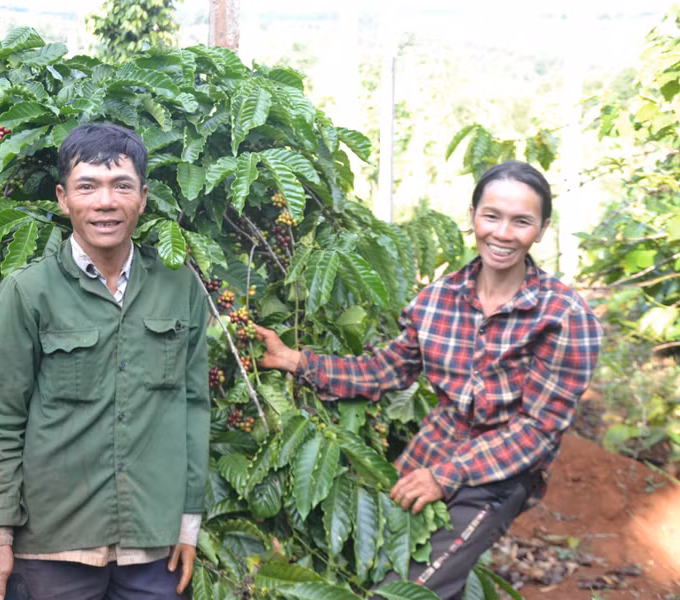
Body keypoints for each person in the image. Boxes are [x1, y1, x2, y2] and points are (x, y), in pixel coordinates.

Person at [256, 161, 602, 599]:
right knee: (388, 570)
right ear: (473, 216)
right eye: (491, 216)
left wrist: (447, 475)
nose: (503, 233)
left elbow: (538, 429)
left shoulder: (565, 316)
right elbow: (384, 370)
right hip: (431, 453)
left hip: (500, 474)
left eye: (522, 222)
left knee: (401, 590)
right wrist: (296, 360)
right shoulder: (438, 299)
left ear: (542, 229)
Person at [0, 123, 210, 600]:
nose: (105, 202)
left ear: (142, 198)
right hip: (52, 548)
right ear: (63, 198)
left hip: (153, 545)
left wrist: (188, 524)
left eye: (122, 186)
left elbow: (194, 408)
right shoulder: (28, 292)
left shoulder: (180, 288)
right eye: (88, 186)